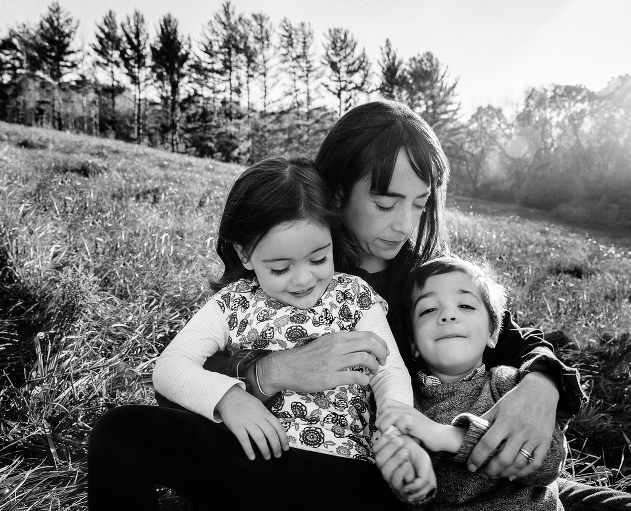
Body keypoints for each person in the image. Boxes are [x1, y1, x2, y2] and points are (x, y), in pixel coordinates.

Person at [192, 100, 631, 510]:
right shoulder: (292, 272)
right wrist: (269, 371)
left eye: (419, 204)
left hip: (484, 472)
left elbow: (515, 339)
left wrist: (542, 387)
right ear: (337, 192)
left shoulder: (422, 276)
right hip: (375, 482)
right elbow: (193, 367)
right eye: (385, 203)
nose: (403, 225)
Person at [88, 155, 430, 510]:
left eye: (317, 259)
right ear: (245, 254)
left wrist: (395, 429)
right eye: (280, 268)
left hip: (339, 471)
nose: (303, 279)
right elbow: (171, 367)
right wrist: (229, 399)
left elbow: (388, 369)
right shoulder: (233, 302)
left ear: (332, 235)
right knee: (119, 432)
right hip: (250, 459)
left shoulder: (353, 295)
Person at [373, 256, 567, 510]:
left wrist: (447, 437)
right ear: (413, 345)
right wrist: (413, 488)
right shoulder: (406, 406)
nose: (448, 315)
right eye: (429, 309)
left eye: (465, 305)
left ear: (493, 332)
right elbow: (412, 496)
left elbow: (549, 462)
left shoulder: (510, 385)